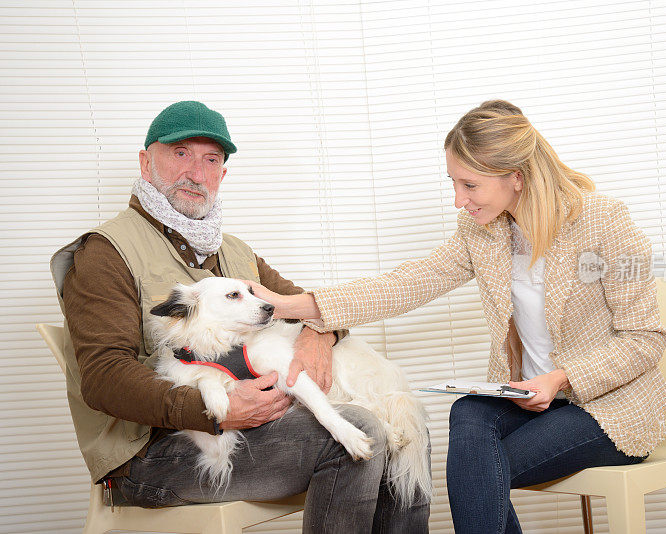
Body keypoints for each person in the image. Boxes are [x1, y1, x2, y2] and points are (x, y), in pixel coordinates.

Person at [247, 100, 666, 533]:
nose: (459, 201)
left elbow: (644, 339)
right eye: (454, 183)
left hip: (606, 409)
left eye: (469, 185)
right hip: (529, 402)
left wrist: (559, 378)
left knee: (477, 471)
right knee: (469, 414)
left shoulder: (603, 222)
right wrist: (287, 306)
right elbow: (406, 283)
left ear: (517, 176)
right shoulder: (485, 230)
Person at [50, 101, 430, 533]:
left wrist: (317, 338)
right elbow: (102, 376)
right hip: (152, 454)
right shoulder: (105, 253)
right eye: (181, 153)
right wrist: (213, 410)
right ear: (145, 160)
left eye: (211, 159)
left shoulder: (234, 251)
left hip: (250, 427)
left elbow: (310, 306)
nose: (196, 172)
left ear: (222, 175)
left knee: (404, 419)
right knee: (356, 428)